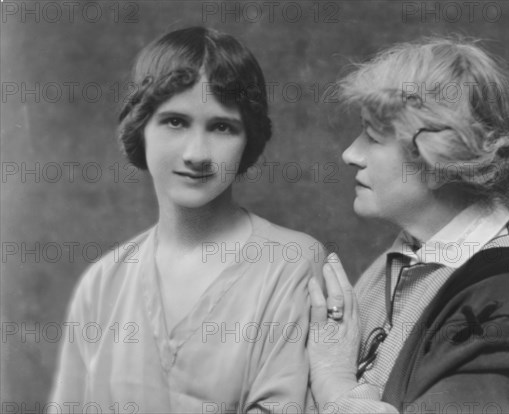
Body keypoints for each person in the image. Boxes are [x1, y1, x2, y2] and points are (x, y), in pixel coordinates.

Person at [307, 37, 509, 413]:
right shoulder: (401, 260)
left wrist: (334, 380)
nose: (350, 154)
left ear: (437, 163)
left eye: (373, 137)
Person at [51, 26, 324, 413]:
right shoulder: (102, 283)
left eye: (222, 127)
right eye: (175, 122)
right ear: (140, 126)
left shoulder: (293, 264)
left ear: (249, 139)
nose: (197, 153)